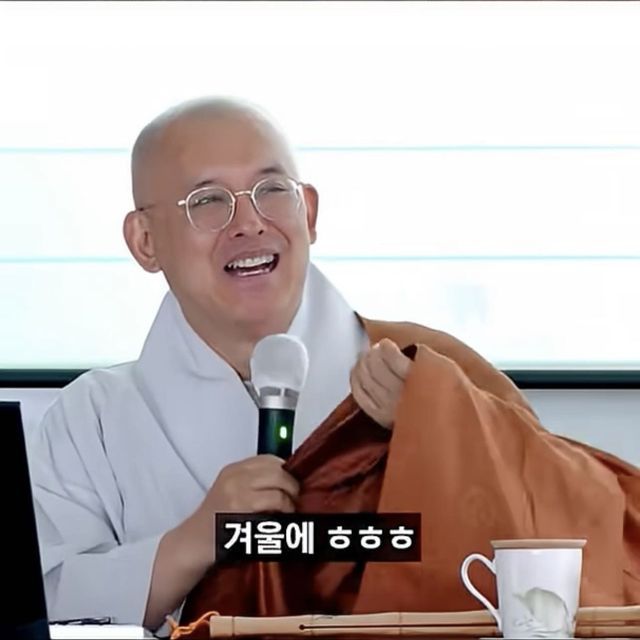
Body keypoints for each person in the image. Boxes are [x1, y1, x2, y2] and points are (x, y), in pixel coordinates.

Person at [29, 97, 640, 637]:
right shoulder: (92, 420)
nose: (249, 223)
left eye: (272, 191)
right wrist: (197, 539)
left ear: (310, 212)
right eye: (208, 201)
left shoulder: (427, 372)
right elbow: (43, 603)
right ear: (144, 241)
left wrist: (441, 433)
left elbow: (574, 545)